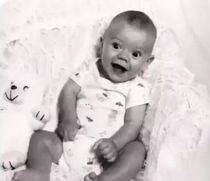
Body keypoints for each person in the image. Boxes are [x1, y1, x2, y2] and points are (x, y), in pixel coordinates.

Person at [13, 10, 157, 181]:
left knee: (137, 150)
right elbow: (69, 91)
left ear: (147, 62)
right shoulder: (89, 69)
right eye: (116, 46)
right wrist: (68, 118)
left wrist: (114, 144)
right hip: (69, 144)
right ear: (102, 44)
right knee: (40, 138)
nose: (123, 56)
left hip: (108, 159)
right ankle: (40, 172)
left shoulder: (137, 87)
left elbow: (133, 124)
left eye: (135, 54)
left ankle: (107, 179)